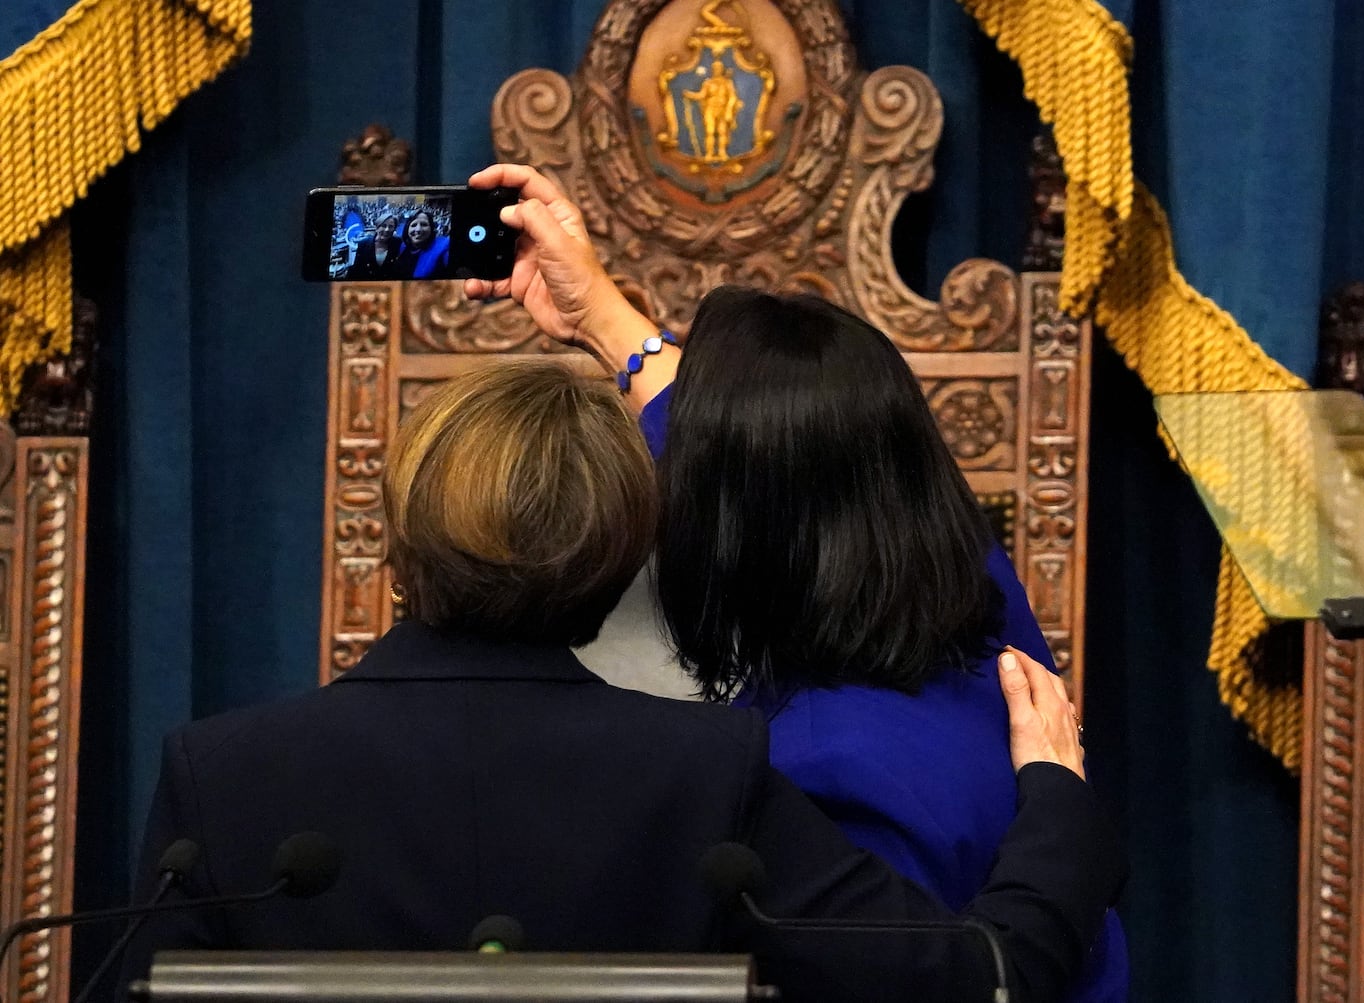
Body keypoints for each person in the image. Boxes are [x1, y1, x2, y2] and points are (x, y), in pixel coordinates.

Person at [115, 360, 1121, 1003]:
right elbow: (988, 977)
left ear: (395, 551)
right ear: (614, 572)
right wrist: (1056, 796)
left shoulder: (222, 774)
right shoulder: (703, 776)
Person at [464, 163, 1129, 1001]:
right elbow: (794, 465)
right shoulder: (994, 644)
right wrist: (598, 313)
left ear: (731, 533)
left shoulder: (823, 774)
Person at [345, 212, 403, 280]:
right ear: (377, 228)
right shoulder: (363, 245)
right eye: (383, 226)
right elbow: (357, 269)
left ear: (394, 229)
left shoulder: (398, 243)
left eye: (391, 226)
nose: (387, 229)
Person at [396, 208, 451, 279]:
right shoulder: (403, 246)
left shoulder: (443, 246)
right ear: (407, 229)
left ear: (431, 228)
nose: (418, 229)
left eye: (424, 224)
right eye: (413, 225)